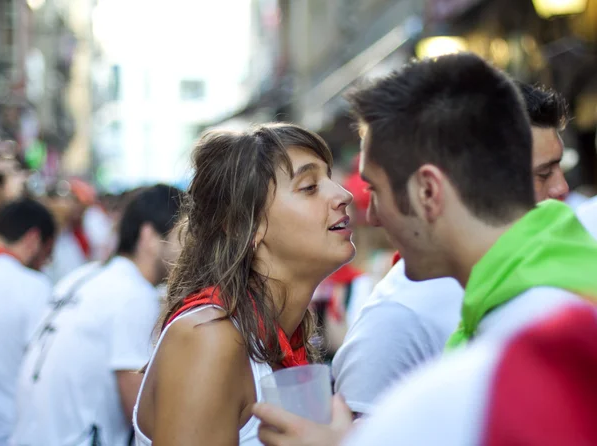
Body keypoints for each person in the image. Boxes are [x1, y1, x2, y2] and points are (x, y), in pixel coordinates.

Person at [254, 53, 597, 445]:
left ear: (428, 192)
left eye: (377, 190)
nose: (376, 218)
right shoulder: (564, 280)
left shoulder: (505, 367)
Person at [331, 80, 572, 416]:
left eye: (557, 168)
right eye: (542, 174)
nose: (562, 187)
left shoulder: (561, 261)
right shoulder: (394, 324)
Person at [133, 123, 356, 445]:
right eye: (309, 186)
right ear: (246, 226)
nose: (343, 194)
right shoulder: (209, 337)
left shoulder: (276, 334)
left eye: (330, 178)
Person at [10, 184, 182, 446]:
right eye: (183, 236)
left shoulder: (84, 277)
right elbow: (145, 419)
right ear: (149, 236)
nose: (189, 251)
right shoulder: (133, 296)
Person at [0, 199, 55, 445]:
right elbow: (46, 369)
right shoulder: (34, 287)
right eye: (47, 253)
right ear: (33, 240)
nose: (46, 262)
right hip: (11, 430)